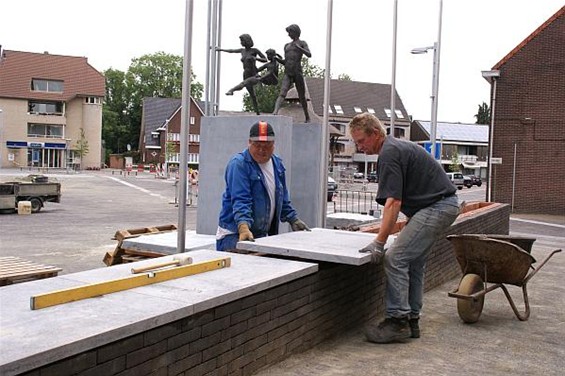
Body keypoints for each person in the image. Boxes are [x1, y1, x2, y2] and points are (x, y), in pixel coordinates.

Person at [349, 112, 460, 344]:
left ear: (376, 134)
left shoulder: (389, 153)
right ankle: (412, 321)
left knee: (395, 258)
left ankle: (397, 321)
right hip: (437, 206)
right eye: (356, 142)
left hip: (437, 206)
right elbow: (402, 200)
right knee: (413, 261)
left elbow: (393, 203)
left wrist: (379, 243)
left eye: (361, 141)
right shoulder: (394, 149)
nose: (359, 147)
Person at [216, 120, 310, 251]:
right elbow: (241, 199)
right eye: (257, 145)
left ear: (274, 144)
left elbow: (282, 199)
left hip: (260, 235)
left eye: (267, 146)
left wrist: (293, 219)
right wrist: (243, 227)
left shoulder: (277, 164)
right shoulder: (239, 165)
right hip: (234, 235)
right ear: (249, 142)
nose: (261, 150)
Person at [217, 34, 267, 115]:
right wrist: (221, 49)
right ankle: (257, 113)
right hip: (246, 73)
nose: (241, 42)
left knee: (243, 84)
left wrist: (255, 58)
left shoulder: (254, 50)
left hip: (254, 74)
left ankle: (231, 90)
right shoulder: (242, 51)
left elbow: (265, 59)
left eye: (242, 41)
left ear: (247, 41)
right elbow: (231, 50)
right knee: (252, 95)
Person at [272, 24, 311, 123]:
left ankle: (307, 116)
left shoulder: (302, 43)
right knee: (282, 92)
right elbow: (286, 61)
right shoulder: (287, 46)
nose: (289, 34)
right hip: (288, 72)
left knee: (302, 96)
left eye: (290, 32)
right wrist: (277, 59)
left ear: (295, 32)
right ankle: (275, 111)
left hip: (297, 72)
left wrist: (300, 48)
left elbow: (309, 54)